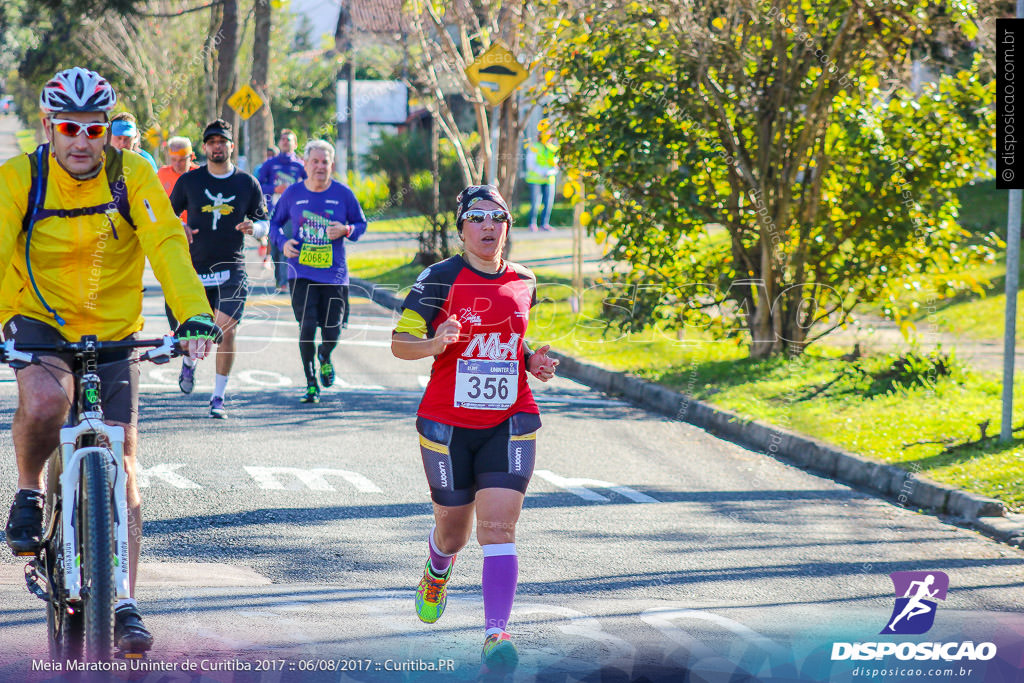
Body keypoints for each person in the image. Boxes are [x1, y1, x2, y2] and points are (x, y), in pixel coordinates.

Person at [0, 67, 221, 654]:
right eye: (69, 128)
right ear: (49, 126)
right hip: (40, 320)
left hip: (113, 331)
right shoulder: (20, 178)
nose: (81, 141)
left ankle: (123, 599)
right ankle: (28, 490)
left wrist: (192, 314)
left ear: (107, 130)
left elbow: (167, 244)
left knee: (122, 463)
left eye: (93, 129)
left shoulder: (134, 175)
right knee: (47, 401)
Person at [391, 185, 559, 674]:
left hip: (510, 420)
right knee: (454, 531)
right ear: (462, 228)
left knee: (499, 527)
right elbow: (401, 343)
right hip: (447, 422)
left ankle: (496, 632)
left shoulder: (525, 279)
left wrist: (534, 362)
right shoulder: (438, 278)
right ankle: (437, 569)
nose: (489, 226)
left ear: (507, 226)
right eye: (477, 218)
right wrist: (436, 343)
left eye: (498, 217)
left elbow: (514, 340)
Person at [169, 119, 269, 418]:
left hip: (233, 268)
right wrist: (181, 226)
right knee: (191, 335)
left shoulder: (246, 183)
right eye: (212, 142)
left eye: (222, 141)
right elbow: (166, 215)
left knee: (226, 329)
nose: (217, 146)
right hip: (196, 268)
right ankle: (188, 364)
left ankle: (218, 397)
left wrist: (255, 229)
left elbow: (265, 222)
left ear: (231, 146)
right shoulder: (190, 181)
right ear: (204, 148)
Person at [272, 140, 366, 403]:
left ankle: (325, 354)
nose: (320, 166)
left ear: (331, 165)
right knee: (307, 327)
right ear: (305, 164)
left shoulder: (343, 194)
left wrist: (346, 230)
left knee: (333, 330)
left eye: (325, 162)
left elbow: (361, 224)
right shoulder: (292, 193)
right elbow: (274, 225)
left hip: (334, 275)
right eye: (314, 161)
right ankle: (311, 382)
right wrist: (282, 242)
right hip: (300, 273)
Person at [258, 129, 306, 292]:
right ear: (279, 143)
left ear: (295, 144)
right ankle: (280, 280)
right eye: (283, 139)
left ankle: (286, 281)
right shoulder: (270, 164)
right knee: (275, 247)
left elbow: (310, 186)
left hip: (292, 214)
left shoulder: (299, 165)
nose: (285, 142)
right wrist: (274, 188)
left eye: (289, 140)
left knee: (287, 241)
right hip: (273, 212)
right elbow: (257, 185)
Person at [524, 121, 559, 232]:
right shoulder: (534, 147)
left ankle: (545, 224)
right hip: (536, 179)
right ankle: (532, 223)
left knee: (548, 203)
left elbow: (557, 165)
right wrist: (542, 172)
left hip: (549, 179)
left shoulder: (553, 149)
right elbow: (530, 164)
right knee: (536, 202)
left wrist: (550, 172)